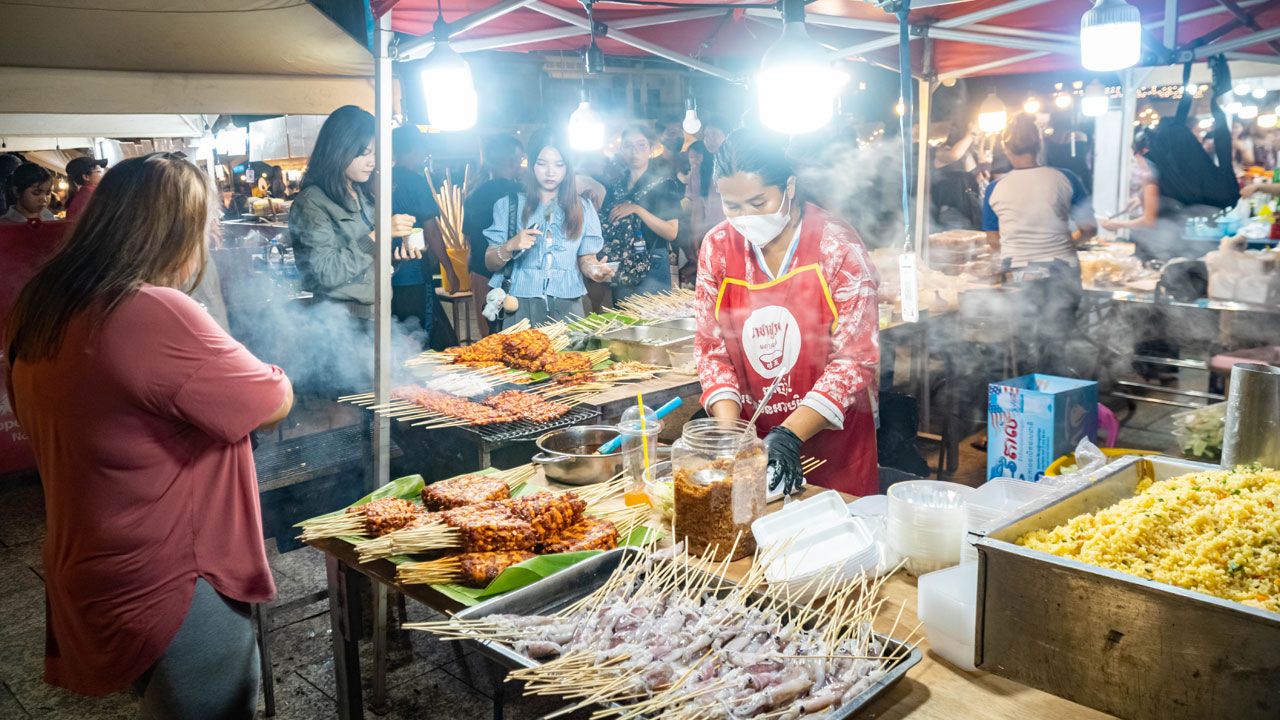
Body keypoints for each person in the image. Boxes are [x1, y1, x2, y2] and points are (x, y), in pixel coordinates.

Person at [5, 153, 293, 719]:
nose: (210, 238)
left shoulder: (42, 305)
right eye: (203, 222)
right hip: (172, 573)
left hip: (89, 558)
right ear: (170, 229)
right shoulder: (150, 310)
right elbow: (272, 401)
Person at [694, 129, 881, 497]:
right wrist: (734, 439)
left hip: (833, 450)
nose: (745, 217)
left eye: (758, 202)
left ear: (789, 187)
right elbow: (710, 350)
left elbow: (855, 358)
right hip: (753, 443)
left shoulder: (836, 246)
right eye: (733, 206)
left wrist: (789, 434)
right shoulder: (717, 247)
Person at [982, 113, 1096, 376]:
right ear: (1040, 146)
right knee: (1054, 345)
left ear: (1005, 148)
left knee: (1021, 346)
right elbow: (1089, 228)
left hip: (1018, 275)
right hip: (1062, 272)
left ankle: (1023, 402)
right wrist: (1066, 242)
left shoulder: (995, 188)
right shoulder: (1065, 178)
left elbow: (993, 241)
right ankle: (1053, 400)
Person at [289, 105, 420, 314]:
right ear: (339, 150)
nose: (372, 162)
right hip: (338, 321)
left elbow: (366, 264)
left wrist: (395, 257)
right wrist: (379, 235)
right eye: (364, 153)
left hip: (379, 314)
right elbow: (326, 273)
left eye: (375, 153)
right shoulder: (312, 202)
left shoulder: (364, 194)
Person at [484, 134, 614, 327]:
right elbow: (490, 262)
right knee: (521, 355)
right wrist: (511, 245)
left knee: (569, 356)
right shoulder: (508, 205)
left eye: (559, 165)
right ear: (531, 165)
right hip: (520, 304)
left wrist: (595, 271)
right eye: (542, 163)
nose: (550, 172)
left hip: (568, 304)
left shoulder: (583, 207)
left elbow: (586, 258)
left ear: (567, 168)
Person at [391, 123, 459, 350]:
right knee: (422, 337)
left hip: (387, 276)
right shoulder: (416, 182)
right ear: (415, 149)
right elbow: (431, 231)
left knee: (397, 336)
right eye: (421, 151)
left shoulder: (379, 181)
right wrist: (449, 268)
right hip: (414, 275)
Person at [601, 123, 682, 303]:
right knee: (625, 323)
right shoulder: (616, 187)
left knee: (655, 326)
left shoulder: (664, 184)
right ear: (621, 149)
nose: (634, 151)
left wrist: (638, 210)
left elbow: (671, 231)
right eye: (628, 146)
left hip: (653, 265)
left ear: (651, 149)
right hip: (622, 266)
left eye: (641, 145)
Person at [464, 134, 524, 336]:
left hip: (480, 271)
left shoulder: (475, 193)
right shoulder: (519, 192)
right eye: (519, 159)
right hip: (510, 275)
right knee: (514, 337)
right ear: (511, 160)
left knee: (488, 337)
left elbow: (469, 237)